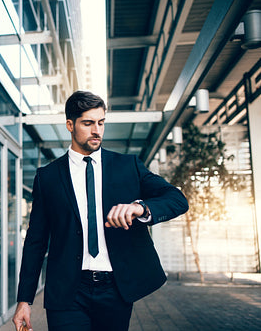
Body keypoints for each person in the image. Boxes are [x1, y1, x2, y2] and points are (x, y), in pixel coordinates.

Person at [13, 91, 188, 331]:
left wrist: (140, 208)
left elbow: (177, 199)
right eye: (88, 123)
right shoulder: (48, 177)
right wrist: (24, 300)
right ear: (70, 125)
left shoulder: (128, 166)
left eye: (101, 122)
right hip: (67, 292)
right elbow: (36, 241)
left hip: (115, 290)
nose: (97, 130)